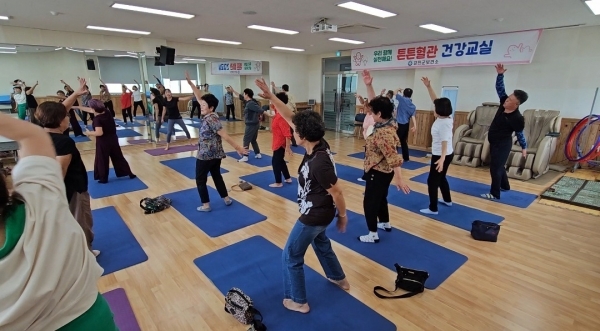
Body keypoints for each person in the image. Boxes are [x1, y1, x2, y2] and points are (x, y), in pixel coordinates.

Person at [0, 113, 118, 331]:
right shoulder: (39, 205)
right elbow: (33, 136)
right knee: (79, 221)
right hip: (92, 320)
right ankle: (88, 248)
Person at [255, 77, 350, 314]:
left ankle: (298, 300)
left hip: (314, 215)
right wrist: (273, 96)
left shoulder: (319, 162)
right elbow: (291, 116)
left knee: (291, 256)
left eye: (295, 131)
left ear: (303, 136)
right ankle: (338, 278)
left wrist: (343, 215)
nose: (291, 130)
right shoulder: (318, 144)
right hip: (320, 214)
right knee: (322, 243)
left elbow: (337, 191)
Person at [35, 78, 100, 256]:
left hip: (61, 191)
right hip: (73, 190)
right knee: (81, 222)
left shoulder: (40, 133)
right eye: (67, 116)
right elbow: (59, 172)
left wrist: (76, 93)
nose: (69, 117)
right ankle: (85, 255)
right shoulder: (63, 142)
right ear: (59, 121)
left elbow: (59, 110)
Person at [184, 73, 248, 212]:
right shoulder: (210, 115)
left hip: (206, 156)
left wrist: (238, 148)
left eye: (204, 105)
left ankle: (206, 205)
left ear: (211, 107)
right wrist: (191, 84)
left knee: (200, 180)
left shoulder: (211, 119)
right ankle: (226, 198)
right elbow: (199, 96)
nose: (201, 106)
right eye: (201, 104)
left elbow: (224, 135)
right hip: (216, 155)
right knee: (216, 175)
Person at [359, 70, 411, 243]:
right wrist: (368, 85)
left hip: (379, 172)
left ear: (379, 115)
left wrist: (400, 179)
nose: (371, 115)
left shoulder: (383, 133)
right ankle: (385, 223)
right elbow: (376, 105)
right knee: (381, 197)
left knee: (370, 202)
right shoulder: (390, 121)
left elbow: (393, 157)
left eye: (373, 113)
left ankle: (372, 234)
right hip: (382, 171)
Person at [482, 63, 528, 200]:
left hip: (503, 144)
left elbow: (520, 133)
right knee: (499, 165)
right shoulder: (503, 103)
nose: (506, 100)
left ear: (517, 104)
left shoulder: (517, 118)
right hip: (494, 141)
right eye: (508, 98)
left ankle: (494, 193)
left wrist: (524, 147)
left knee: (495, 168)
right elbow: (500, 88)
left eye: (510, 100)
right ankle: (505, 186)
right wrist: (500, 75)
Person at [78, 99, 136, 184]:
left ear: (93, 109)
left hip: (103, 141)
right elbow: (90, 110)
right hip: (113, 139)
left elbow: (99, 133)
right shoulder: (106, 112)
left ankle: (103, 178)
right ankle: (129, 174)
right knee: (118, 157)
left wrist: (89, 133)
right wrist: (77, 107)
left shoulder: (97, 119)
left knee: (102, 159)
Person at [419, 77, 454, 215]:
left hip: (441, 155)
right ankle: (447, 200)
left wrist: (442, 159)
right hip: (445, 153)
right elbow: (435, 100)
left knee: (432, 181)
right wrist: (429, 87)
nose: (433, 107)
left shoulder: (443, 124)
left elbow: (445, 141)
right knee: (441, 178)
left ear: (439, 110)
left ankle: (433, 208)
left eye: (435, 107)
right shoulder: (446, 117)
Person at [266, 92, 293, 188]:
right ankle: (288, 178)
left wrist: (288, 147)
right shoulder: (278, 113)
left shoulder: (281, 116)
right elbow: (272, 105)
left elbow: (287, 133)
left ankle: (278, 182)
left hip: (280, 143)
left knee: (275, 162)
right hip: (277, 141)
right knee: (280, 160)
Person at [230, 87, 265, 162]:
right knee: (253, 140)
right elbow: (240, 96)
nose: (243, 95)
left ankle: (245, 156)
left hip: (251, 125)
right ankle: (258, 153)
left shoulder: (251, 103)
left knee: (246, 140)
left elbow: (260, 110)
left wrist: (270, 115)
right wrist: (233, 91)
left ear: (247, 94)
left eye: (244, 93)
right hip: (254, 124)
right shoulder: (248, 102)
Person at [394, 87, 417, 162]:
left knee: (395, 140)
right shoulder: (413, 106)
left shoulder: (402, 99)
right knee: (403, 141)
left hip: (398, 124)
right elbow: (413, 116)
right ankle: (406, 158)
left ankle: (394, 156)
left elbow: (394, 92)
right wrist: (415, 126)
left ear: (404, 94)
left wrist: (398, 89)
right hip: (406, 124)